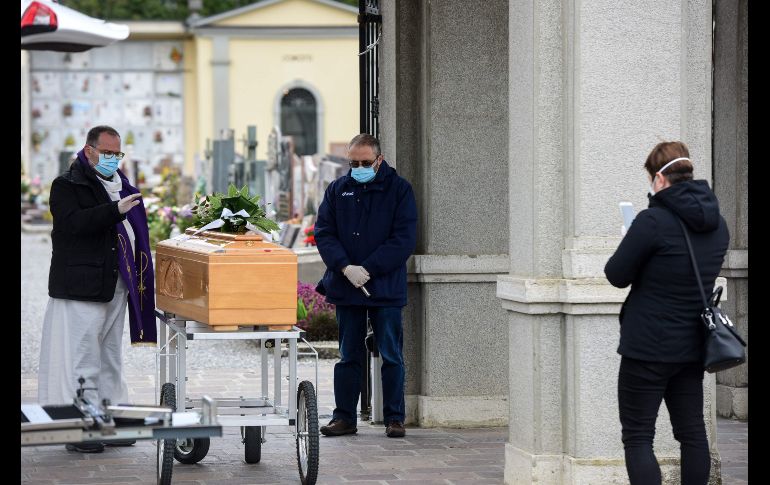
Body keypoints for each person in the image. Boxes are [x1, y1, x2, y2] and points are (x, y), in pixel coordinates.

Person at [604, 141, 729, 484]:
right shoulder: (718, 224)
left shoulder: (652, 222)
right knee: (692, 433)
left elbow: (616, 275)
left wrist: (631, 239)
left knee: (638, 436)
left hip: (646, 347)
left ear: (659, 179)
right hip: (691, 346)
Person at [38, 126, 157, 453]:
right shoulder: (67, 184)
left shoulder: (122, 186)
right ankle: (80, 426)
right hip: (81, 284)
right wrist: (113, 211)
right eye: (107, 154)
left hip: (116, 282)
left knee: (108, 355)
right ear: (89, 151)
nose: (113, 160)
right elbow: (73, 224)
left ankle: (112, 416)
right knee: (82, 356)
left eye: (117, 154)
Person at [314, 133, 417, 438]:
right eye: (353, 162)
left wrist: (368, 269)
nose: (357, 167)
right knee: (348, 355)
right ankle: (344, 417)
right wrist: (346, 267)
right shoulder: (338, 189)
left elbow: (403, 240)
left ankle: (394, 418)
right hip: (347, 286)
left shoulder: (399, 190)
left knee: (391, 353)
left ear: (379, 160)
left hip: (385, 288)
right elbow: (324, 232)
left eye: (364, 162)